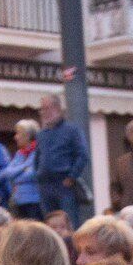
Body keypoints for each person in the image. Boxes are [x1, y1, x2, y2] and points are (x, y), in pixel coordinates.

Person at [35, 94, 91, 227]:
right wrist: (38, 175)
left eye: (47, 108)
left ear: (58, 108)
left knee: (69, 223)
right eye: (42, 109)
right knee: (49, 225)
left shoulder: (72, 130)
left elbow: (82, 155)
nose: (44, 113)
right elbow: (37, 158)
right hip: (45, 185)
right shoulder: (41, 134)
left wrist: (72, 177)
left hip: (64, 184)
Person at [0, 119, 42, 218]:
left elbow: (32, 174)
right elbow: (8, 172)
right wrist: (25, 166)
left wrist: (16, 175)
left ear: (27, 135)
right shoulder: (20, 154)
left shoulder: (39, 152)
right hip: (18, 200)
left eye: (18, 133)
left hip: (35, 201)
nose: (15, 137)